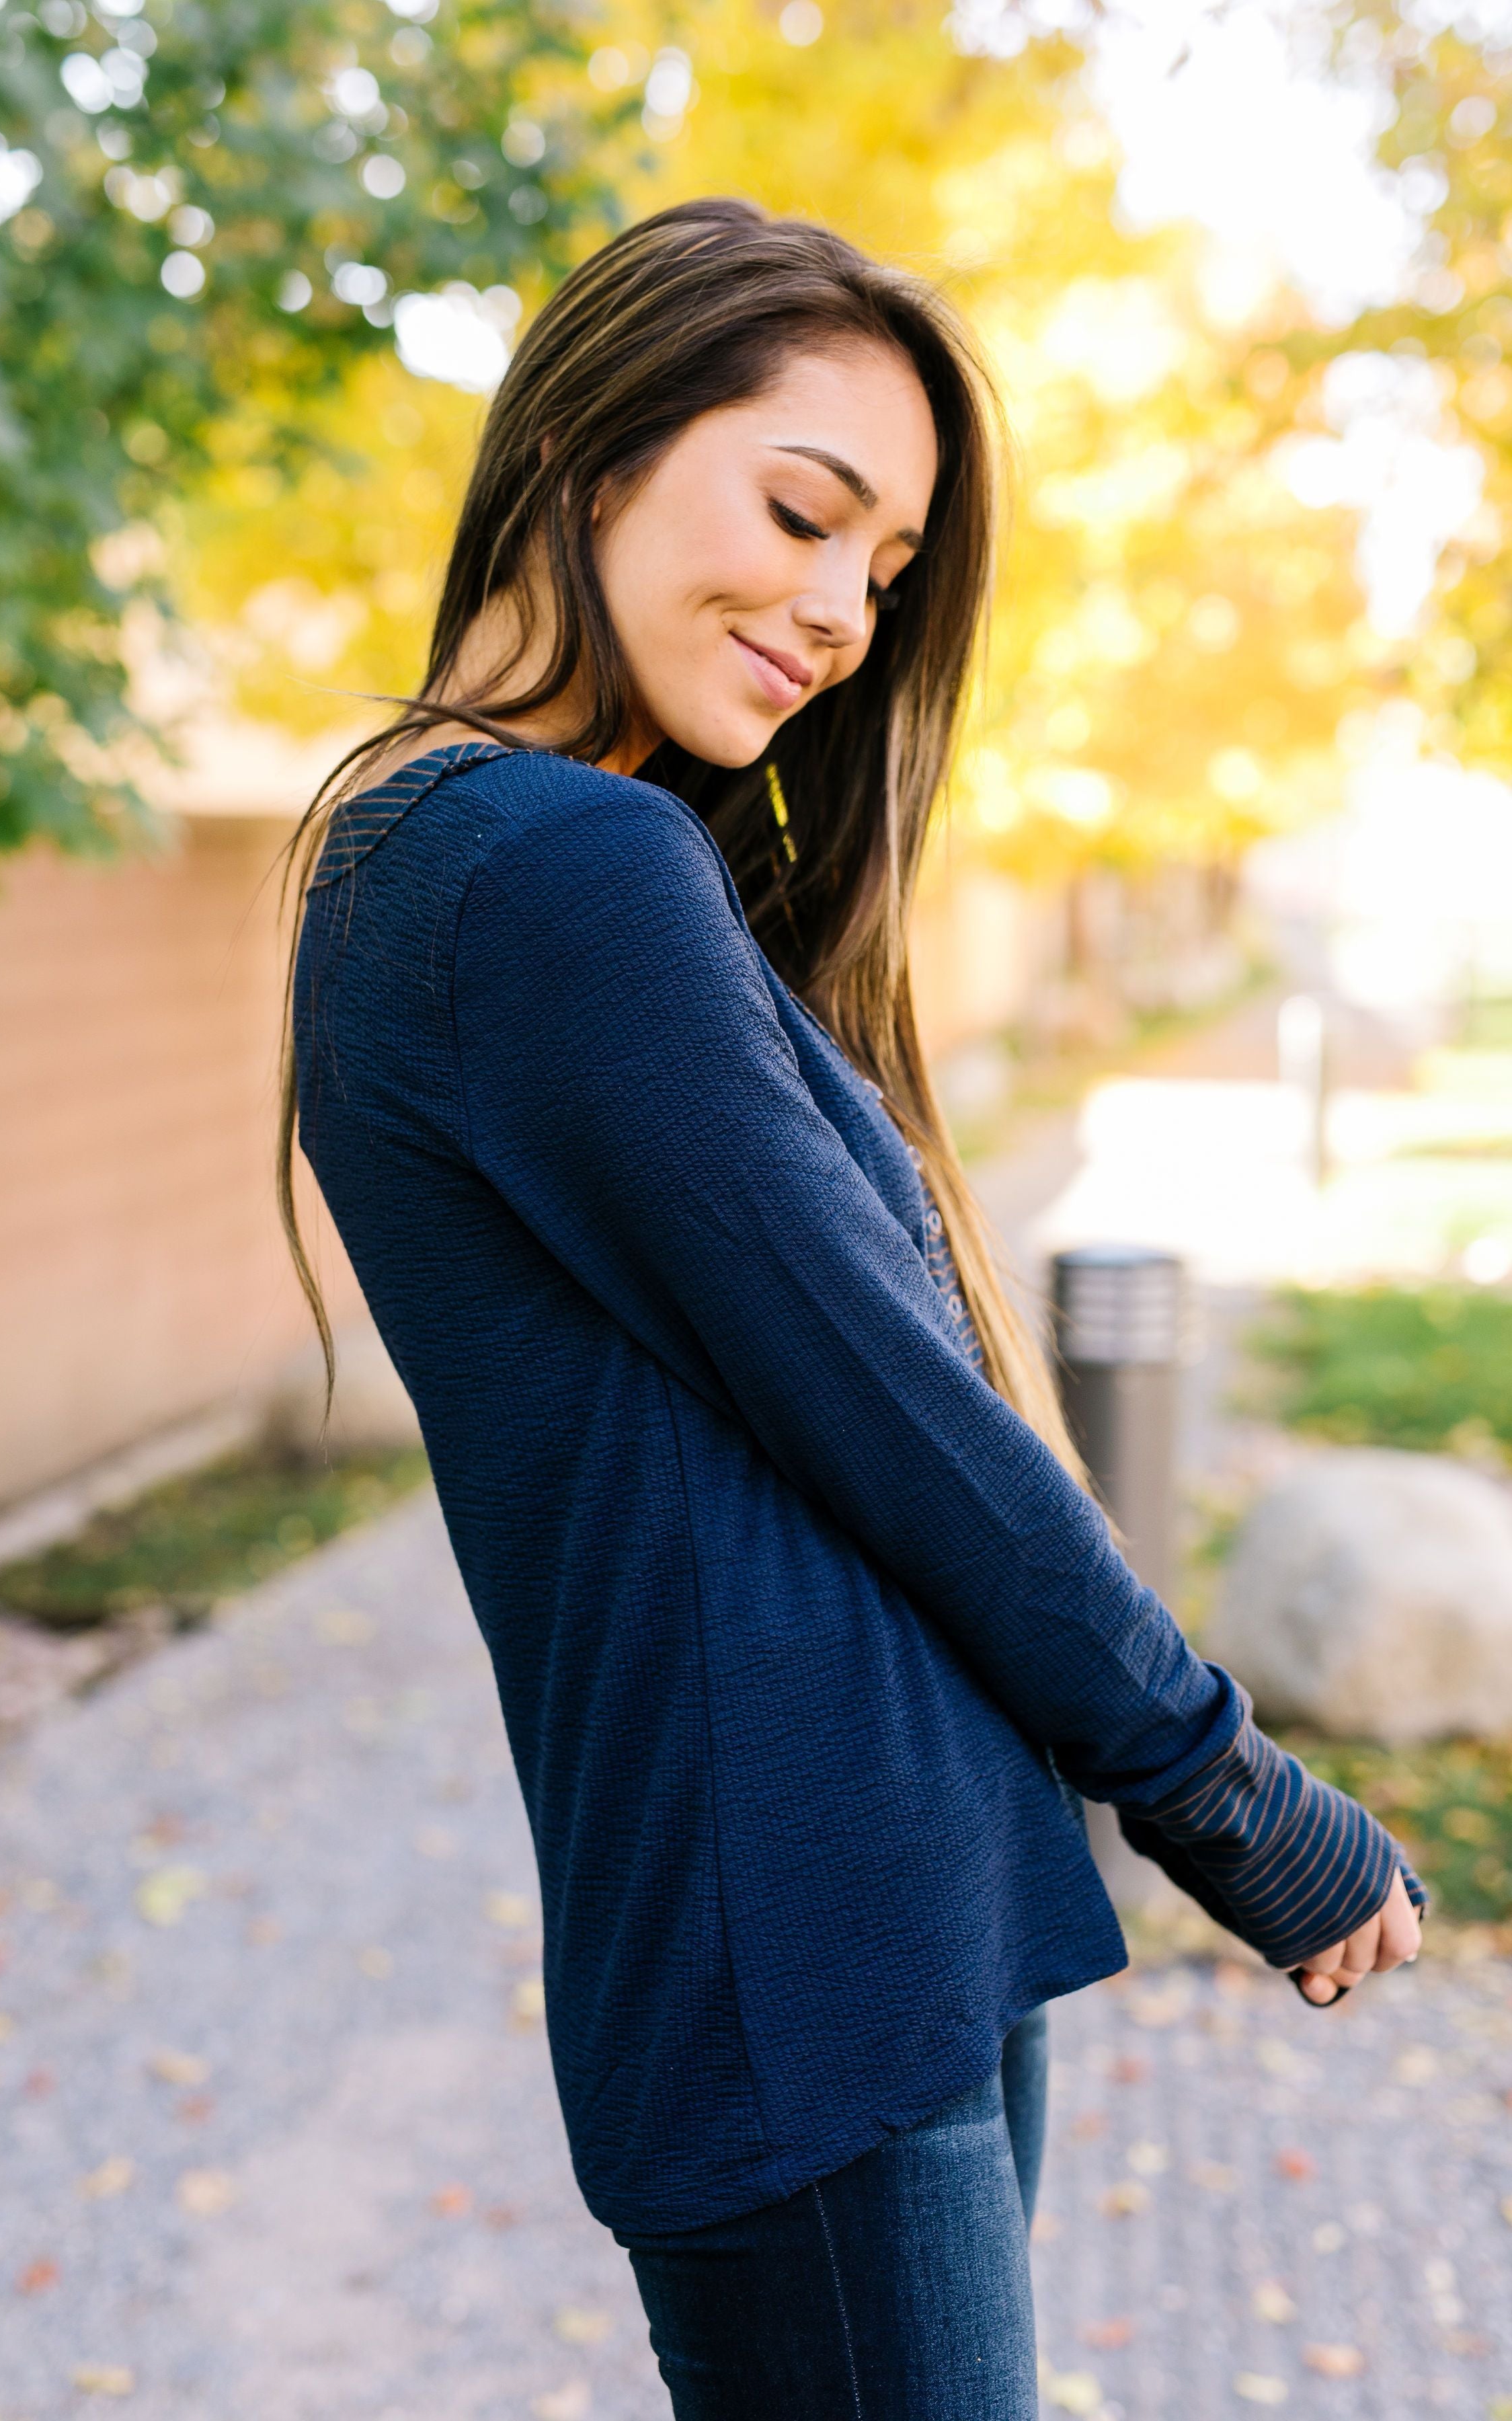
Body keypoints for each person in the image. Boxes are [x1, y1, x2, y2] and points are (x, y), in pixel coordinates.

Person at [280, 198, 1424, 2419]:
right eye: (802, 514)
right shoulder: (545, 870)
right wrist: (1229, 1792)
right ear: (595, 446)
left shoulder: (525, 856)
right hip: (794, 1948)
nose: (832, 612)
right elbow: (897, 1409)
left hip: (859, 1914)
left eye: (882, 573)